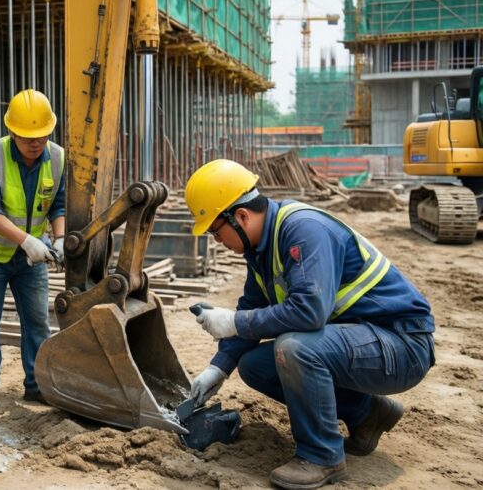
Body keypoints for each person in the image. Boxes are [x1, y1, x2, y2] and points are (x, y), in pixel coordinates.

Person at [183, 159, 435, 490]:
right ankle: (368, 414)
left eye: (216, 230)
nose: (217, 240)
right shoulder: (262, 248)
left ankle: (321, 457)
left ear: (240, 216)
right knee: (255, 365)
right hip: (363, 342)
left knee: (294, 347)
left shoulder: (303, 229)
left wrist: (233, 322)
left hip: (402, 347)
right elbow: (252, 307)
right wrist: (218, 368)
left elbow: (309, 313)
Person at [0, 89, 66, 407]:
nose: (35, 143)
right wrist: (25, 240)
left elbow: (58, 205)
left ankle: (37, 383)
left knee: (37, 319)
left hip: (31, 257)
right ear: (12, 130)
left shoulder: (57, 158)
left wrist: (60, 238)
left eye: (41, 136)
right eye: (27, 137)